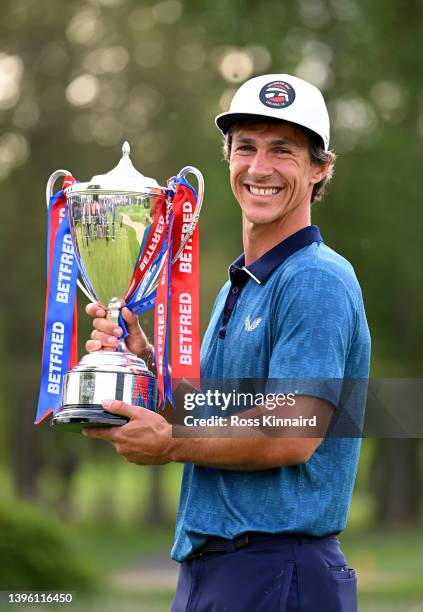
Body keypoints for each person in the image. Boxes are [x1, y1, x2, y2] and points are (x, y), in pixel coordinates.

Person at [83, 74, 371, 612]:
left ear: (319, 168)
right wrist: (141, 358)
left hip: (279, 569)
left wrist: (169, 444)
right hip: (221, 569)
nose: (259, 168)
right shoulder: (240, 285)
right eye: (246, 147)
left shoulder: (315, 278)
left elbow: (291, 434)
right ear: (229, 159)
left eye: (283, 150)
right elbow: (213, 415)